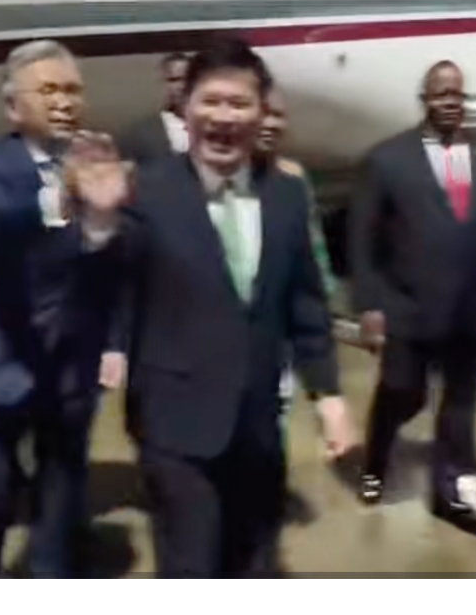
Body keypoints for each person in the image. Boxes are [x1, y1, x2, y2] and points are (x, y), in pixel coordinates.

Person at [101, 39, 355, 577]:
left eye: (239, 103)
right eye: (210, 101)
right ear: (184, 107)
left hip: (257, 425)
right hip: (175, 426)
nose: (223, 116)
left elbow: (305, 304)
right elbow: (106, 284)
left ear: (261, 113)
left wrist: (329, 396)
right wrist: (94, 225)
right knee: (192, 568)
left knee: (255, 564)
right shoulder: (145, 189)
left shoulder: (286, 194)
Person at [0, 41, 127, 578]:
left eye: (73, 90)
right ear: (14, 107)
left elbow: (115, 266)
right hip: (2, 362)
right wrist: (67, 198)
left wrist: (115, 341)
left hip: (72, 366)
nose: (64, 102)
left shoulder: (100, 162)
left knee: (61, 494)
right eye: (48, 90)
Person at [349, 60, 476, 537]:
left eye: (456, 94)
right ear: (424, 101)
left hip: (470, 310)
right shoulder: (388, 160)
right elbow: (363, 241)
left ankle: (446, 492)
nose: (450, 102)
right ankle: (375, 460)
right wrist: (369, 305)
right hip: (408, 309)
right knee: (402, 394)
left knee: (459, 405)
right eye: (440, 94)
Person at [253, 88, 339, 423]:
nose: (271, 123)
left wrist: (322, 296)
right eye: (264, 113)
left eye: (278, 115)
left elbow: (312, 246)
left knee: (275, 414)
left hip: (279, 329)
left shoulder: (293, 179)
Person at [117, 52, 192, 166]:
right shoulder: (141, 133)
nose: (182, 86)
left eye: (188, 79)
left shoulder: (213, 125)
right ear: (162, 84)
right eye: (174, 80)